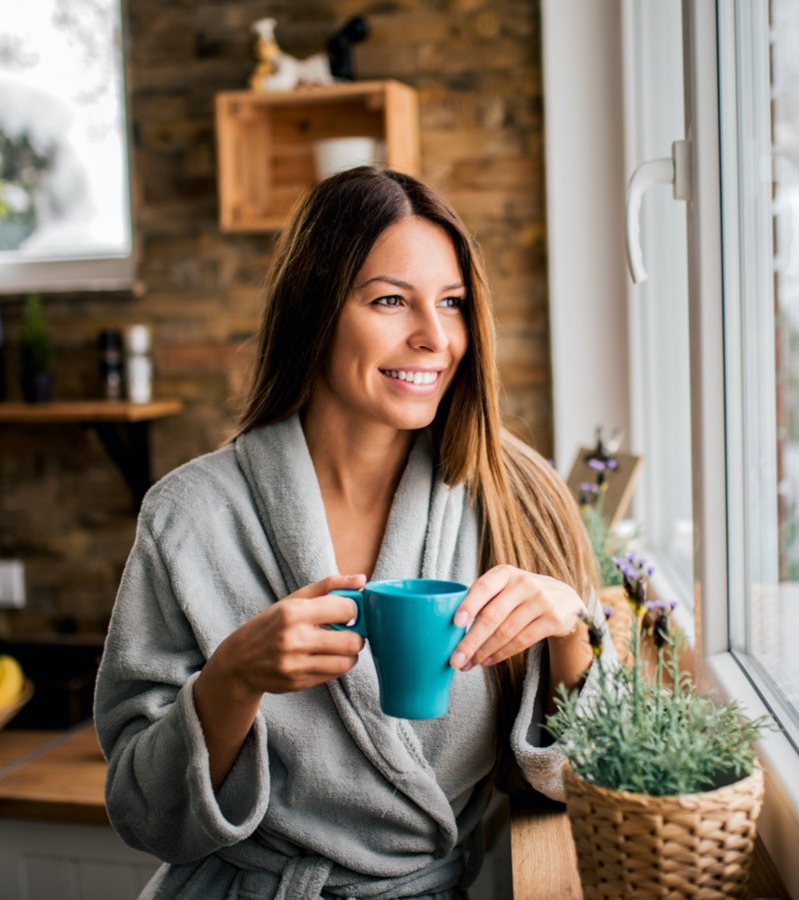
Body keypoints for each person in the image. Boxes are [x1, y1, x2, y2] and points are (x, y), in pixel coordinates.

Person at [94, 167, 610, 899]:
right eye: (391, 300)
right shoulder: (190, 516)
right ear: (316, 310)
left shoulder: (515, 496)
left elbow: (584, 779)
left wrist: (568, 631)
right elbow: (145, 814)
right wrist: (232, 679)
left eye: (453, 303)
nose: (434, 337)